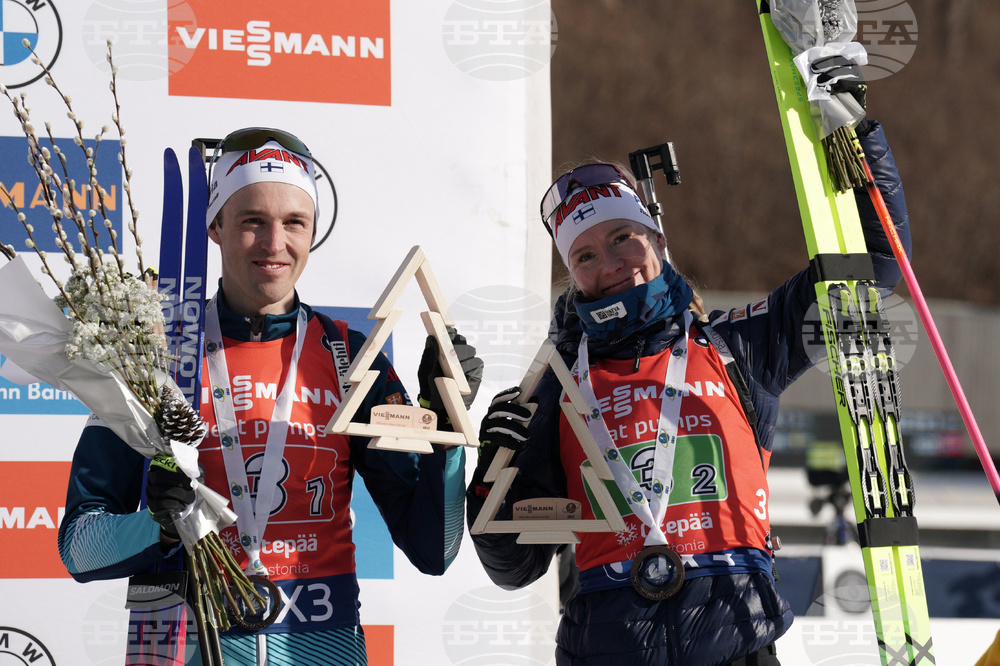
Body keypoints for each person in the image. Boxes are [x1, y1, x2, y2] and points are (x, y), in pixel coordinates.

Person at [466, 103, 910, 663]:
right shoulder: (557, 384)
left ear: (655, 237)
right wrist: (492, 475)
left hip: (739, 642)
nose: (611, 263)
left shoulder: (738, 344)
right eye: (585, 254)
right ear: (571, 273)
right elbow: (513, 566)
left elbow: (876, 264)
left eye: (623, 236)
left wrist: (856, 135)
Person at [58, 127, 482, 665]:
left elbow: (434, 549)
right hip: (185, 646)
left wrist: (447, 434)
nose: (274, 243)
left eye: (294, 223)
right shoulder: (154, 356)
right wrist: (158, 526)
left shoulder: (350, 358)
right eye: (252, 221)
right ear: (214, 225)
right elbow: (78, 546)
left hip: (322, 649)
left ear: (312, 233)